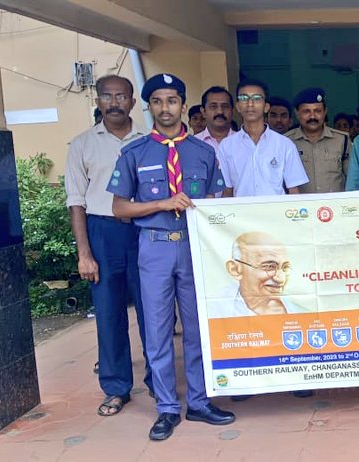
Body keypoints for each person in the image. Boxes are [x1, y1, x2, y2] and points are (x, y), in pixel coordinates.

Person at [108, 73, 234, 441]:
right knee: (159, 330)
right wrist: (162, 203)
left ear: (183, 104)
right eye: (159, 102)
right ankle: (166, 407)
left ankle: (198, 401)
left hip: (194, 246)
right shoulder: (135, 152)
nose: (166, 108)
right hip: (155, 246)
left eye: (173, 101)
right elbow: (119, 208)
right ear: (150, 107)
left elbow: (217, 200)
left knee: (196, 328)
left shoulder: (204, 152)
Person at [65, 75, 153, 417]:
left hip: (144, 230)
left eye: (121, 96)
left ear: (133, 102)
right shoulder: (82, 145)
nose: (114, 102)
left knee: (153, 310)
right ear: (98, 102)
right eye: (107, 96)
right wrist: (84, 253)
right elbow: (76, 203)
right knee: (108, 313)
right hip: (102, 232)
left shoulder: (149, 142)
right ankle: (116, 387)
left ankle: (158, 381)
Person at [218, 79, 308, 198]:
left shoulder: (284, 144)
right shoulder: (226, 146)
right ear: (238, 106)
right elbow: (227, 191)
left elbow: (293, 190)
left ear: (266, 107)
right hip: (242, 214)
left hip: (276, 213)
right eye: (244, 98)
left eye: (256, 98)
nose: (250, 104)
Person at [209, 231, 310, 318]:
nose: (281, 279)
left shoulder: (302, 314)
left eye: (285, 268)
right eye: (270, 267)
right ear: (235, 269)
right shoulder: (215, 310)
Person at [287, 88, 352, 193]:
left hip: (335, 207)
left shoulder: (342, 140)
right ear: (297, 113)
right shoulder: (287, 142)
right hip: (300, 208)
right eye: (306, 111)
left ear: (325, 112)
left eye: (317, 111)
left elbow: (352, 179)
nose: (312, 116)